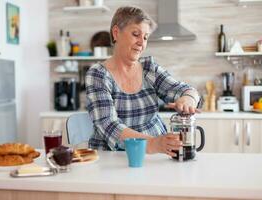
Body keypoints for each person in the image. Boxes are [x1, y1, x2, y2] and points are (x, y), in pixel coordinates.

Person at [85, 6, 201, 156]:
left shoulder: (149, 68)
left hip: (157, 156)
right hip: (116, 158)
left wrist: (188, 99)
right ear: (116, 33)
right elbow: (109, 126)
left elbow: (186, 90)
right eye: (135, 34)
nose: (142, 42)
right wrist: (153, 143)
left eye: (145, 37)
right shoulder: (98, 75)